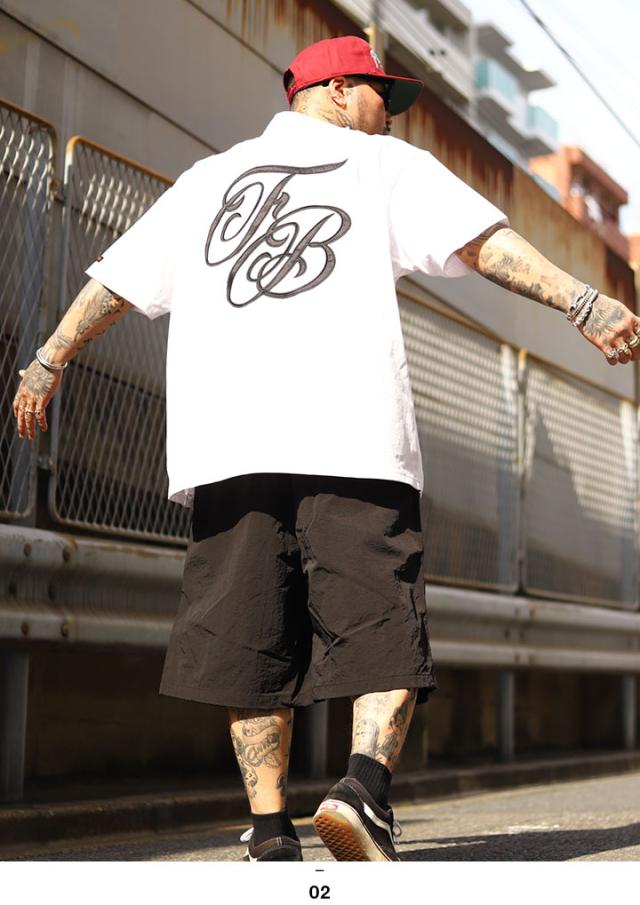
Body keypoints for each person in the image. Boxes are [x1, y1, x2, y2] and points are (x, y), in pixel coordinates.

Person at [13, 35, 640, 862]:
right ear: (339, 91)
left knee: (247, 637)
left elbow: (117, 282)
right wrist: (582, 301)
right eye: (383, 96)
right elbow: (480, 242)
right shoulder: (382, 166)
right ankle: (362, 792)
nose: (391, 115)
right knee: (381, 621)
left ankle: (271, 831)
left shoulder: (206, 181)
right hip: (353, 437)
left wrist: (49, 358)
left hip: (228, 447)